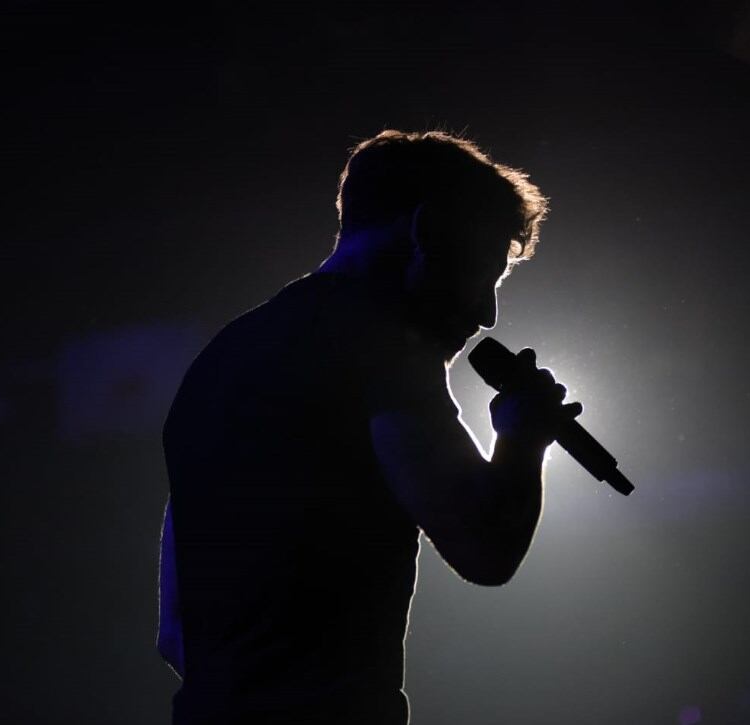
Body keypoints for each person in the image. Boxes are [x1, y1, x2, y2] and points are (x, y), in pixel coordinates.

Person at [158, 130, 580, 724]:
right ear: (427, 232)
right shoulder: (377, 346)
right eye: (484, 274)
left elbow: (175, 633)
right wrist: (522, 435)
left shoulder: (224, 359)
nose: (485, 314)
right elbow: (485, 547)